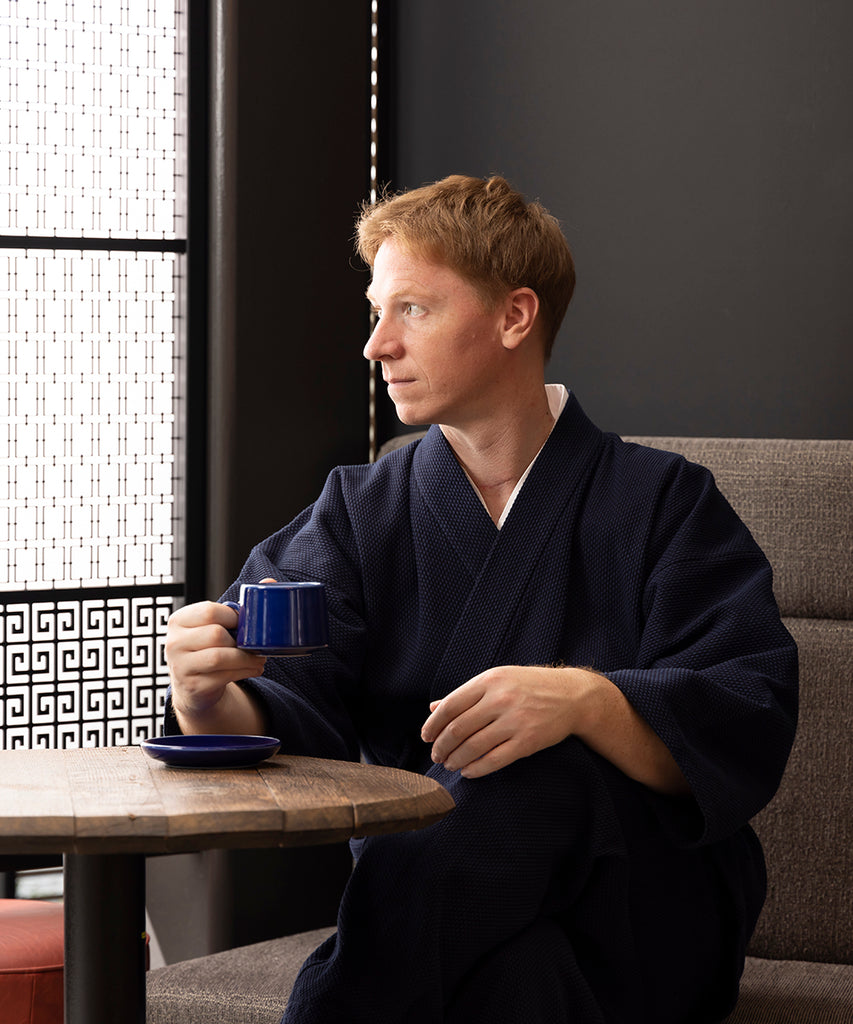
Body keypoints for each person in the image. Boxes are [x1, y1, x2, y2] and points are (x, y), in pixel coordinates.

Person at [165, 174, 798, 1023]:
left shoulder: (664, 502)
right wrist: (206, 695)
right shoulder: (358, 512)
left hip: (650, 908)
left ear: (513, 317)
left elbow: (745, 709)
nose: (377, 345)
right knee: (517, 981)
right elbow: (287, 713)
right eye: (375, 312)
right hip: (457, 916)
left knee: (532, 766)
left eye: (412, 310)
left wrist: (585, 703)